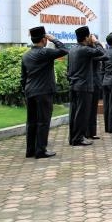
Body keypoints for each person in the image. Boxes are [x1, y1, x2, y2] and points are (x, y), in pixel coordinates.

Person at [20, 26, 68, 158]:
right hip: (43, 92)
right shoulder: (44, 52)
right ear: (44, 39)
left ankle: (30, 150)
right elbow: (64, 50)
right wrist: (54, 39)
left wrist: (26, 90)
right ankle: (41, 150)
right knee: (43, 121)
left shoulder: (26, 55)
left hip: (30, 91)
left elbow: (23, 78)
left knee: (31, 122)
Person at [68, 26, 106, 146]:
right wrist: (96, 41)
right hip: (83, 86)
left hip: (74, 85)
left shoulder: (73, 49)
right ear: (86, 37)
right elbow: (103, 52)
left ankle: (73, 137)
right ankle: (78, 138)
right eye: (89, 36)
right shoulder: (84, 50)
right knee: (81, 113)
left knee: (74, 113)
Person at [85, 34, 108, 140]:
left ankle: (90, 132)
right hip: (92, 83)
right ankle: (89, 132)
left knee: (91, 110)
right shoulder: (90, 52)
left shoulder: (90, 51)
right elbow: (105, 54)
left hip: (92, 83)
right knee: (90, 110)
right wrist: (97, 42)